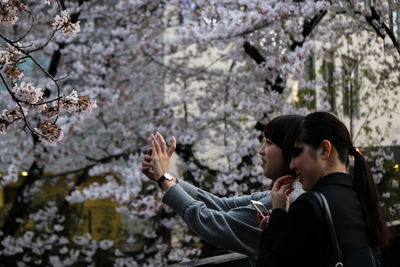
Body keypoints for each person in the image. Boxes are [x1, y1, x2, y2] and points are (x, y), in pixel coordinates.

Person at [141, 115, 304, 266]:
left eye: (269, 142)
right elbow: (223, 206)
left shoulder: (286, 200)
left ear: (289, 149)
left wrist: (164, 180)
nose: (260, 150)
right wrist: (167, 178)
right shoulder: (284, 193)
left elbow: (215, 223)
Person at [256, 111, 391, 267]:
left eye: (296, 153)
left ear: (325, 150)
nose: (292, 165)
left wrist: (277, 217)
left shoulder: (310, 206)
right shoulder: (360, 194)